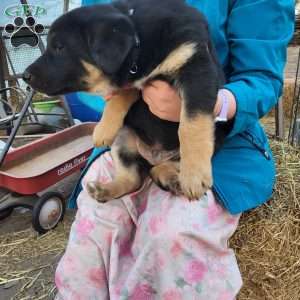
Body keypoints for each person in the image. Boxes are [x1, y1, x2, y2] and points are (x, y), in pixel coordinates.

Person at [55, 1, 294, 299]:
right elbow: (85, 66)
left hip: (219, 143)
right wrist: (108, 90)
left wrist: (210, 105)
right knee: (95, 230)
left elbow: (262, 79)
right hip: (135, 134)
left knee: (173, 234)